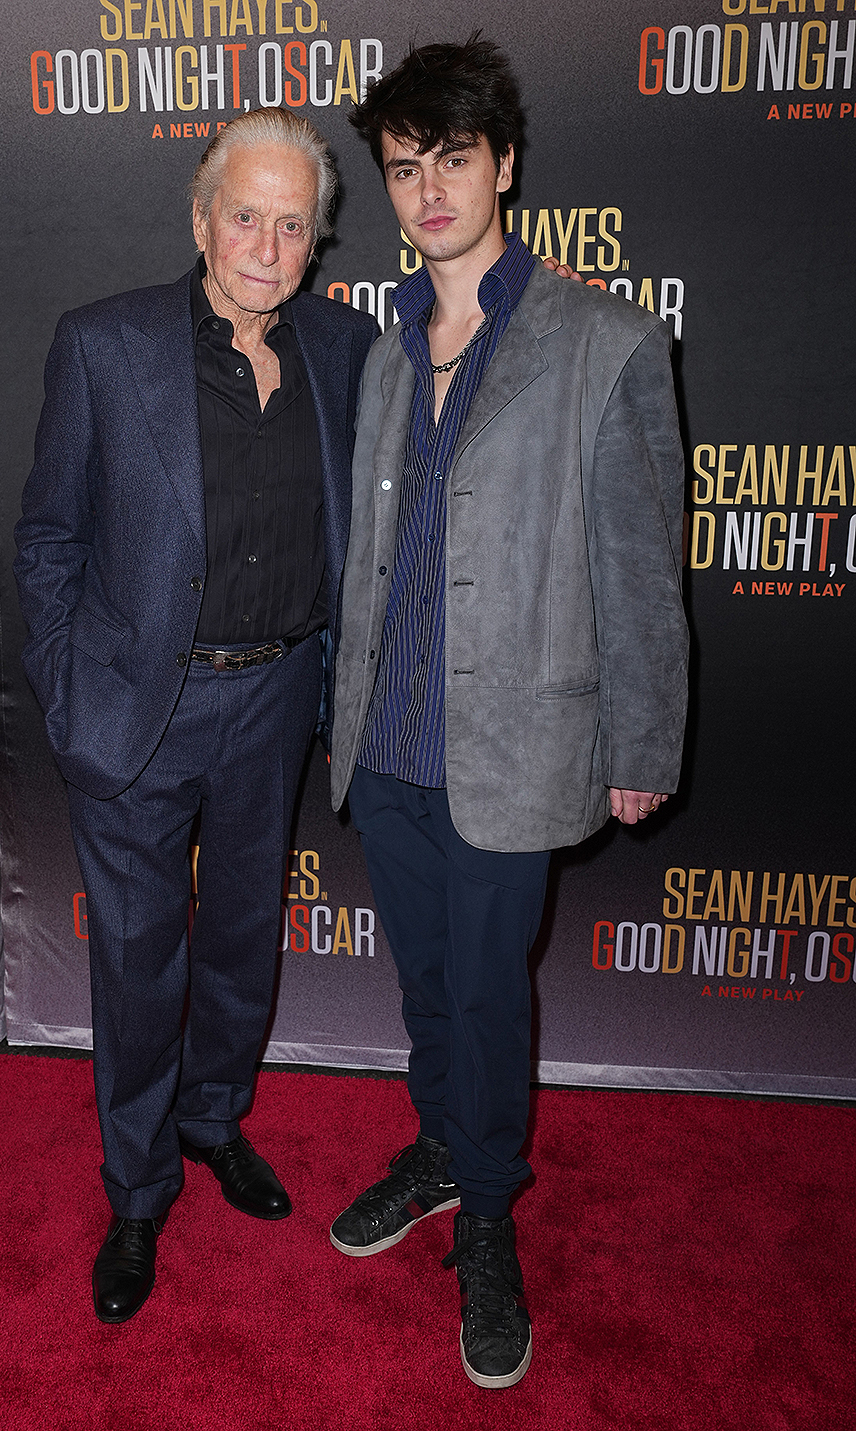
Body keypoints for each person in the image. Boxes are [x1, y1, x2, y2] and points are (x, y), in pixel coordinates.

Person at [328, 39, 689, 1391]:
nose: (429, 191)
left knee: (486, 995)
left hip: (518, 738)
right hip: (393, 736)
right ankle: (436, 1147)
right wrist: (345, 717)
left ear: (506, 166)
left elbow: (641, 567)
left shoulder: (603, 344)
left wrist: (644, 742)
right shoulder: (382, 355)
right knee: (427, 984)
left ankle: (486, 1215)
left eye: (454, 161)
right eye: (406, 168)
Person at [13, 108, 378, 1323]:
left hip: (276, 695)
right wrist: (71, 685)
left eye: (292, 224)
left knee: (238, 940)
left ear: (317, 240)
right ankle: (136, 1186)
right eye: (244, 217)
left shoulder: (343, 348)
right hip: (136, 708)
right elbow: (51, 538)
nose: (267, 246)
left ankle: (215, 1120)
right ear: (198, 218)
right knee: (134, 960)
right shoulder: (104, 346)